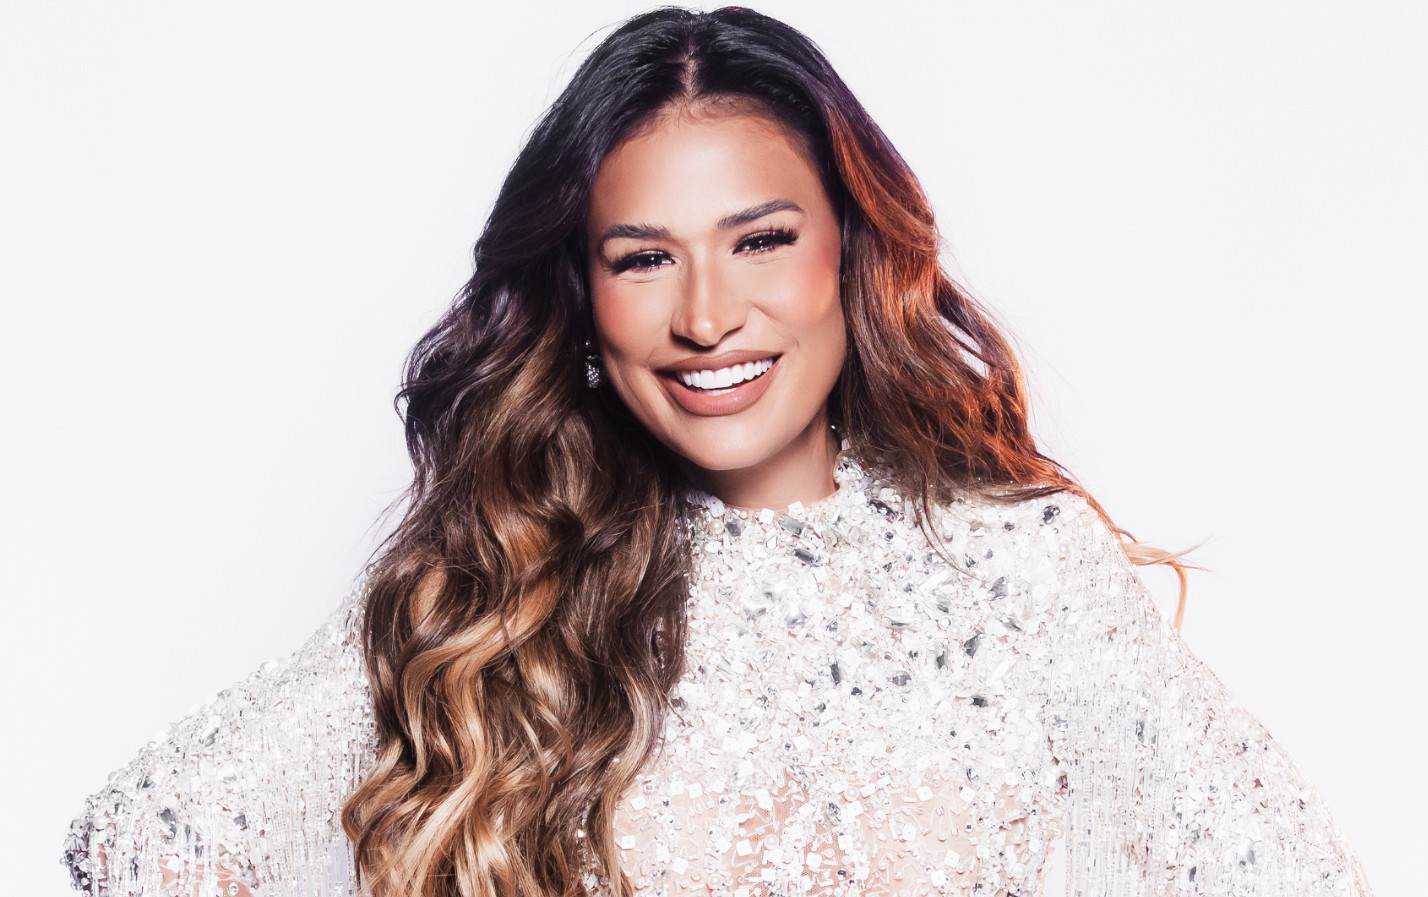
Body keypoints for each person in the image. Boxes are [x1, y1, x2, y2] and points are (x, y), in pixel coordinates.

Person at [61, 6, 1373, 897]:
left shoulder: (1023, 572)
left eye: (760, 241)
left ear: (851, 247)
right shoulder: (490, 587)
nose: (705, 315)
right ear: (584, 295)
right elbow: (147, 840)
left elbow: (1286, 875)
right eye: (644, 259)